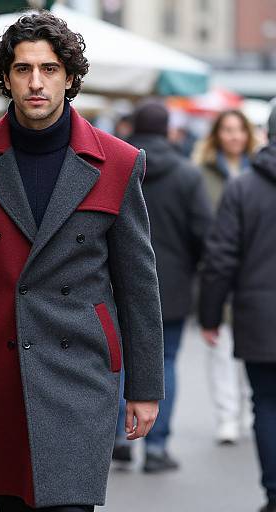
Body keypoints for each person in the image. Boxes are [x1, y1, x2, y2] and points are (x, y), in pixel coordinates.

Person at [0, 11, 164, 512]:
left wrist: (145, 386)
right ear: (5, 77)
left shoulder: (117, 162)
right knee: (12, 504)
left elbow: (138, 283)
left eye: (49, 69)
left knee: (70, 505)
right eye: (23, 69)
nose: (36, 83)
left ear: (70, 77)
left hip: (82, 368)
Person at [113, 101, 212, 472]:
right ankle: (155, 447)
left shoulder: (117, 167)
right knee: (165, 360)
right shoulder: (187, 175)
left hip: (116, 282)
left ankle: (121, 438)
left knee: (119, 359)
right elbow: (205, 233)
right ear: (169, 130)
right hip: (170, 284)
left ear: (133, 126)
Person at [199, 105, 276, 512]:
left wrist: (210, 315)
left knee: (265, 403)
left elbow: (220, 259)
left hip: (259, 317)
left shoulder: (243, 188)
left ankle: (275, 493)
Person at [194, 110, 258, 444]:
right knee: (220, 348)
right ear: (217, 135)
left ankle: (250, 409)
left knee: (255, 349)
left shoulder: (259, 172)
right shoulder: (201, 175)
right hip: (217, 271)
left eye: (239, 129)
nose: (234, 136)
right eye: (227, 130)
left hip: (254, 276)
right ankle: (227, 415)